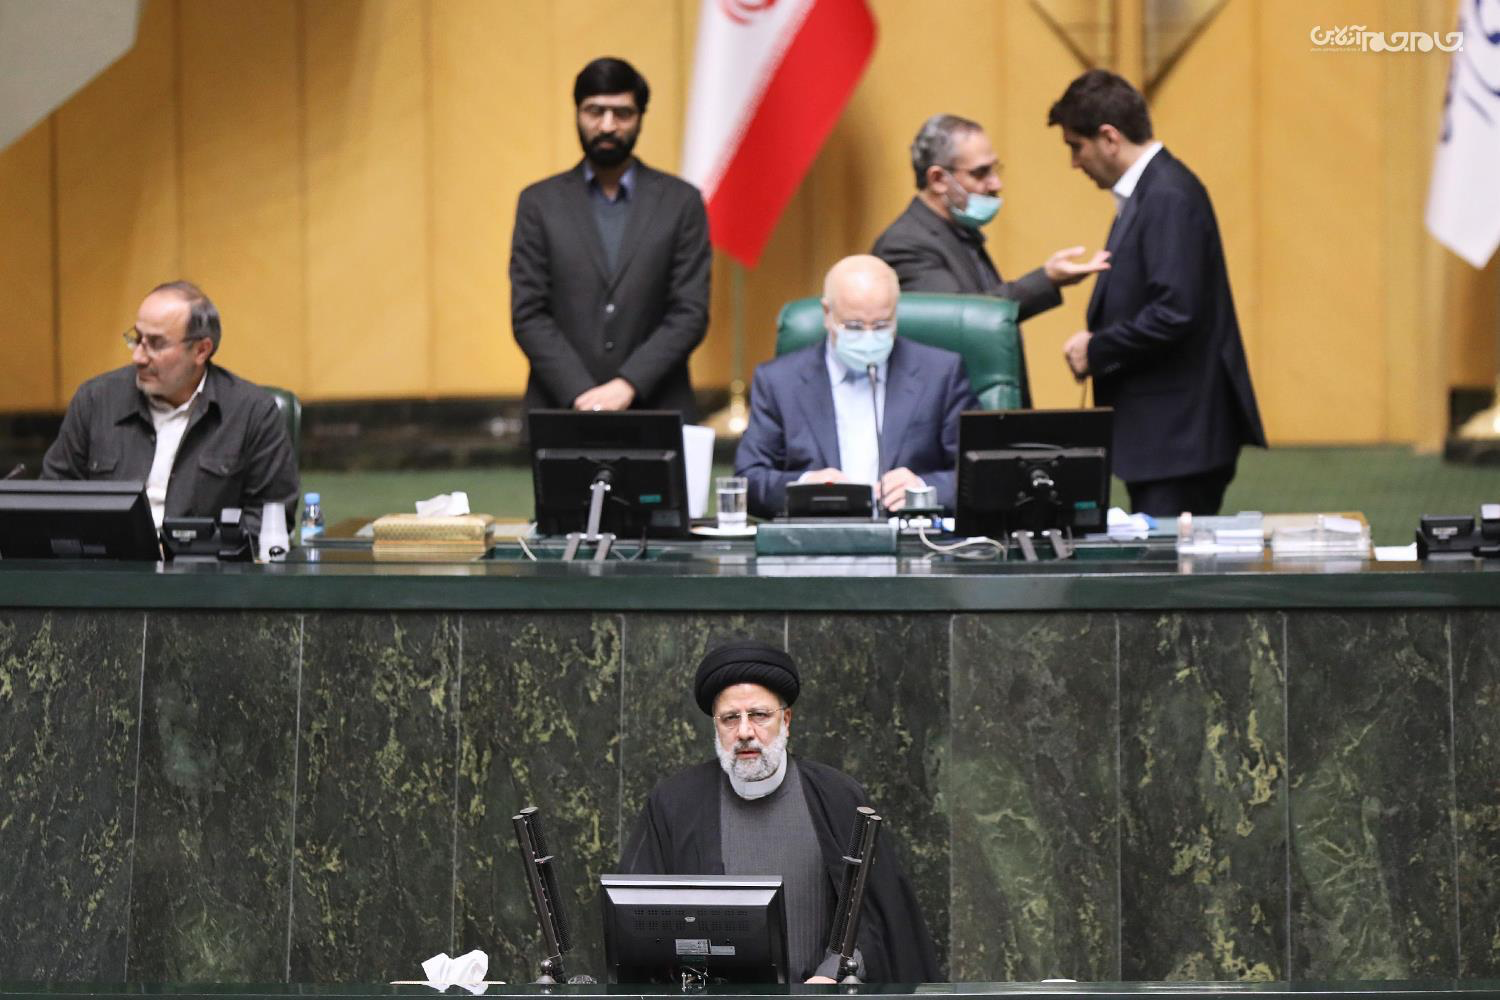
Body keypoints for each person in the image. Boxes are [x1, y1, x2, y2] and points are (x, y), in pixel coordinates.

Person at [620, 640, 940, 984]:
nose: (745, 732)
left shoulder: (838, 797)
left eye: (759, 715)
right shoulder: (675, 803)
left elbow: (876, 921)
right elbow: (637, 924)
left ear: (786, 719)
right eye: (730, 718)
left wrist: (831, 976)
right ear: (716, 726)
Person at [1048, 69, 1266, 517]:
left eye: (1076, 146)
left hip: (1180, 439)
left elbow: (1175, 311)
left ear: (1109, 138)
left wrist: (1096, 349)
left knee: (1168, 559)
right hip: (1167, 434)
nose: (1074, 163)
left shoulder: (1167, 196)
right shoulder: (1152, 191)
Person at [509, 57, 712, 419]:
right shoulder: (538, 203)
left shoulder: (681, 202)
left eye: (622, 113)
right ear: (577, 113)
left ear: (640, 118)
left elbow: (689, 312)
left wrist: (627, 385)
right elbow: (528, 313)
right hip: (562, 408)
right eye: (595, 111)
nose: (607, 125)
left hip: (657, 408)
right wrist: (582, 393)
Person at [871, 113, 1110, 406]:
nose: (996, 183)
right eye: (981, 173)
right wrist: (1047, 279)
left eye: (995, 169)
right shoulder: (906, 244)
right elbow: (962, 325)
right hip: (955, 418)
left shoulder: (959, 232)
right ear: (938, 179)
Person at [41, 281, 299, 541]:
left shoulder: (253, 412)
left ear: (201, 350)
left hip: (205, 564)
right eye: (137, 339)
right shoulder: (96, 401)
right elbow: (52, 497)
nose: (138, 357)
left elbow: (271, 517)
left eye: (156, 344)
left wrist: (194, 548)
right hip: (110, 561)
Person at [734, 255, 976, 518]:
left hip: (909, 535)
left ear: (895, 313)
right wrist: (804, 486)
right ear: (827, 314)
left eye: (882, 325)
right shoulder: (779, 381)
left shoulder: (940, 374)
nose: (869, 336)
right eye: (854, 326)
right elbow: (749, 479)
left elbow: (979, 474)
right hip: (817, 535)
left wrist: (923, 488)